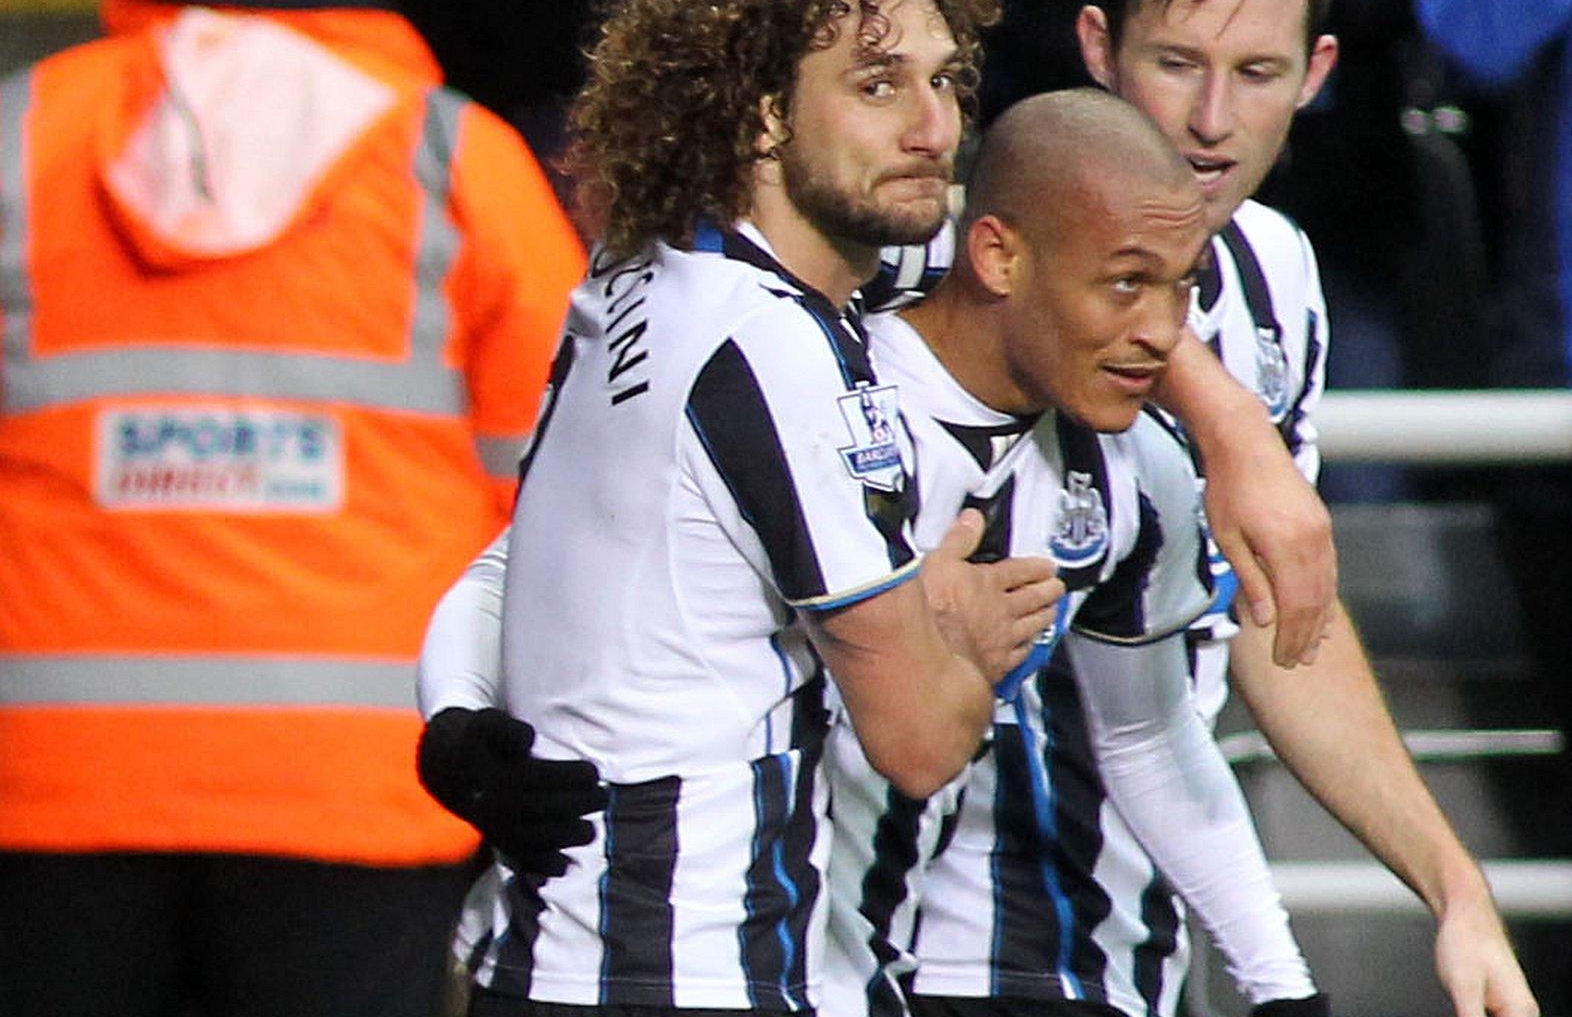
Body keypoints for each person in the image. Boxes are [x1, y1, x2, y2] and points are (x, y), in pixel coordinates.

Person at [421, 88, 1330, 1017]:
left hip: (849, 970)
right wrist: (455, 725)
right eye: (1129, 284)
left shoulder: (1142, 478)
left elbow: (1147, 736)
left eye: (1183, 287)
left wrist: (1281, 988)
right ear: (998, 255)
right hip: (616, 955)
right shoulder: (815, 388)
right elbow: (526, 559)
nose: (1163, 333)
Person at [421, 0, 1063, 1014]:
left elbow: (515, 558)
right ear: (764, 114)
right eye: (878, 86)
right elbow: (917, 740)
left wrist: (452, 715)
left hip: (534, 961)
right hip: (677, 975)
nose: (934, 126)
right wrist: (949, 628)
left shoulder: (637, 276)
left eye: (946, 81)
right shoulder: (771, 350)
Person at [908, 0, 1540, 1017]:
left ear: (1315, 76)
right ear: (1097, 49)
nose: (1210, 121)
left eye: (1254, 75)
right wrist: (1222, 413)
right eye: (1176, 64)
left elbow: (1271, 617)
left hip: (1129, 930)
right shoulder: (961, 254)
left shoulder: (1276, 277)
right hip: (920, 941)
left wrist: (1454, 889)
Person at [0, 0, 588, 1015]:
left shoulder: (24, 135)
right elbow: (561, 477)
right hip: (357, 783)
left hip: (50, 777)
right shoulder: (449, 159)